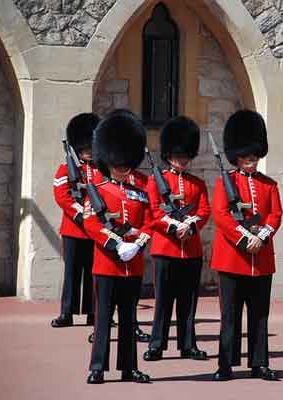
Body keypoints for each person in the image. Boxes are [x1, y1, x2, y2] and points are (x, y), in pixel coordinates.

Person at [210, 110, 283, 381]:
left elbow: (276, 214)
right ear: (237, 157)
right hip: (232, 258)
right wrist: (244, 237)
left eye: (253, 158)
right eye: (245, 158)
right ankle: (226, 364)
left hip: (260, 258)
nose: (250, 162)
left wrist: (261, 236)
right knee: (229, 315)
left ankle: (259, 363)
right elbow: (221, 215)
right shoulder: (224, 182)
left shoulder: (269, 185)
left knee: (259, 315)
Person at [84, 110, 152, 384]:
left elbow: (150, 222)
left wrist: (137, 245)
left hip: (132, 264)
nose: (122, 167)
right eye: (117, 163)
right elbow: (91, 223)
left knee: (129, 318)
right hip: (107, 264)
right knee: (103, 319)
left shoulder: (141, 191)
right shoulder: (98, 189)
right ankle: (98, 366)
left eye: (126, 163)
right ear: (107, 160)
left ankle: (128, 367)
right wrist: (115, 245)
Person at [143, 116, 210, 362]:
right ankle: (157, 344)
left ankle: (188, 344)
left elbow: (204, 211)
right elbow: (153, 212)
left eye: (185, 156)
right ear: (168, 154)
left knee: (188, 301)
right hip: (165, 249)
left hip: (191, 250)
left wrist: (190, 227)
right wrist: (174, 227)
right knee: (163, 301)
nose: (181, 160)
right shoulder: (155, 181)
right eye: (177, 155)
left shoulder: (198, 184)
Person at [52, 113, 101, 328]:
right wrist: (81, 213)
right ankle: (67, 313)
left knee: (93, 272)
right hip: (73, 229)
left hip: (95, 230)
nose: (89, 152)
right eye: (85, 149)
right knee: (72, 272)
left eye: (91, 148)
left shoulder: (101, 171)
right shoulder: (66, 169)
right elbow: (62, 196)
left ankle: (93, 312)